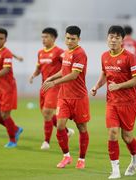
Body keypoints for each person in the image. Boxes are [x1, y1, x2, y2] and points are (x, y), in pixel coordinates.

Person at [90, 25, 136, 179]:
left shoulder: (129, 57)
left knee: (127, 137)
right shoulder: (104, 56)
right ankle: (115, 170)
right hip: (112, 102)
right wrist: (96, 86)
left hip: (129, 102)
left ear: (122, 40)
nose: (113, 40)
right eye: (111, 37)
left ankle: (135, 158)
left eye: (117, 37)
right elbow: (105, 74)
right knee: (113, 133)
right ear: (107, 38)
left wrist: (119, 86)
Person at [42, 26, 90, 169]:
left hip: (79, 97)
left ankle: (81, 159)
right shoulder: (67, 52)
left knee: (82, 128)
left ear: (78, 39)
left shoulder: (80, 53)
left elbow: (74, 75)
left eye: (73, 39)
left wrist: (54, 83)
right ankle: (66, 156)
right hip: (64, 96)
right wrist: (50, 77)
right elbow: (64, 70)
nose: (69, 41)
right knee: (60, 126)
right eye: (67, 38)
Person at [29, 27, 74, 150]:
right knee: (45, 114)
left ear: (53, 38)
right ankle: (66, 131)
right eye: (42, 37)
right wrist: (33, 75)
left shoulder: (59, 52)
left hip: (55, 86)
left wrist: (58, 79)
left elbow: (66, 66)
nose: (44, 39)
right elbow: (39, 68)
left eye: (46, 37)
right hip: (44, 86)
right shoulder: (40, 52)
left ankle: (46, 142)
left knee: (47, 112)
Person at [0, 28, 23, 148]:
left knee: (5, 115)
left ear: (5, 40)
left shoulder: (5, 53)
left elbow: (7, 69)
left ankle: (12, 140)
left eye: (1, 38)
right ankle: (16, 129)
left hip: (8, 88)